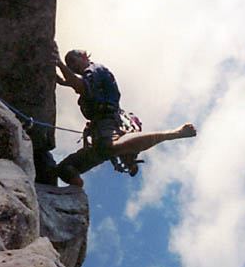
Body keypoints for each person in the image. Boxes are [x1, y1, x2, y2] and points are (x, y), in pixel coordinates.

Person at [54, 48, 196, 187]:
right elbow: (80, 84)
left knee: (109, 147)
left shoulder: (96, 69)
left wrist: (60, 64)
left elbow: (82, 86)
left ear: (84, 55)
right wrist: (63, 81)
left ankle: (174, 133)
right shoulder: (89, 76)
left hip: (107, 120)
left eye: (73, 61)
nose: (73, 67)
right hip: (99, 128)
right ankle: (78, 191)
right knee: (64, 169)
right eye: (70, 67)